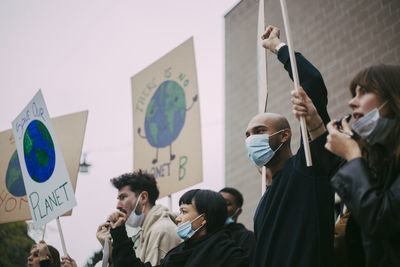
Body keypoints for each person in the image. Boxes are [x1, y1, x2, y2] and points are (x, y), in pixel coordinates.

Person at [245, 25, 341, 267]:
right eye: (248, 135)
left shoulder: (308, 166)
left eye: (259, 131)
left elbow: (311, 83)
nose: (251, 140)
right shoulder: (263, 202)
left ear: (285, 135)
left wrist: (278, 47)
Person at [325, 64, 400, 267]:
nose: (351, 102)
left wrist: (352, 155)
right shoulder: (383, 159)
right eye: (353, 93)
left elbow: (381, 219)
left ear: (393, 97)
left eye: (364, 92)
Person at [109, 189, 249, 267]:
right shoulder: (177, 254)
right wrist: (119, 233)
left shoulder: (230, 257)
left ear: (204, 218)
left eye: (184, 211)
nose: (177, 218)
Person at [96, 170, 181, 266]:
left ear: (143, 197)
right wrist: (110, 252)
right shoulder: (144, 232)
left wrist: (119, 236)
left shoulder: (162, 230)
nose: (118, 206)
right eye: (118, 199)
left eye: (123, 197)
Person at [219, 187, 255, 260]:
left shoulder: (246, 237)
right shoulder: (206, 234)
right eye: (218, 202)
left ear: (238, 211)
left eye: (226, 203)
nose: (220, 206)